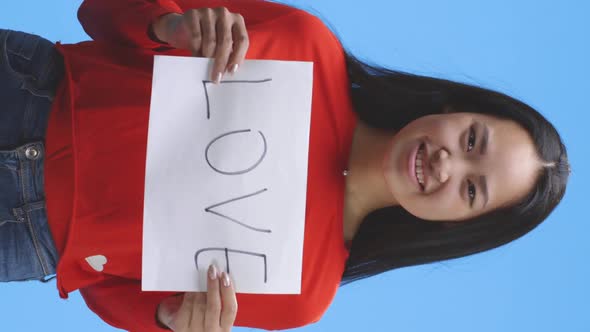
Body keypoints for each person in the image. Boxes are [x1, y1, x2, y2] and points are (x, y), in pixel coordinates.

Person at [0, 0, 569, 331]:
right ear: (454, 108)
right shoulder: (306, 43)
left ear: (457, 226)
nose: (449, 163)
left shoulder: (303, 292)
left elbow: (103, 291)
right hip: (29, 85)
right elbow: (98, 11)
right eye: (472, 139)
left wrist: (174, 322)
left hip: (25, 235)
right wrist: (169, 25)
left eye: (472, 190)